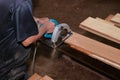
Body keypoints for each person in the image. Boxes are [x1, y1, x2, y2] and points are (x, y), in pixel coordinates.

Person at [0, 0, 54, 79]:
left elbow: (9, 10)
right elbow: (27, 40)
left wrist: (36, 20)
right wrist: (46, 27)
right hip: (7, 65)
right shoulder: (22, 2)